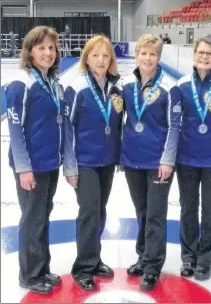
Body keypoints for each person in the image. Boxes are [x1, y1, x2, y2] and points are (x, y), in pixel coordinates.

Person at [5, 26, 65, 294]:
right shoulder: (22, 82)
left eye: (51, 48)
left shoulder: (52, 81)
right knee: (32, 219)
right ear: (29, 51)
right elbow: (15, 129)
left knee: (43, 217)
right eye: (41, 48)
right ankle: (29, 275)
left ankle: (41, 268)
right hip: (31, 166)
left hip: (50, 163)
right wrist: (23, 168)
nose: (48, 53)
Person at [63, 35, 123, 290]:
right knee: (89, 212)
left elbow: (119, 124)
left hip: (107, 161)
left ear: (111, 60)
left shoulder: (116, 90)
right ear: (86, 58)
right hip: (84, 161)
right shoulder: (76, 88)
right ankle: (83, 267)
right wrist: (70, 165)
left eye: (105, 55)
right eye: (95, 55)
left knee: (100, 211)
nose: (100, 60)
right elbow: (67, 128)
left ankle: (94, 258)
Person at [170, 34, 211, 281]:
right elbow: (174, 124)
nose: (204, 57)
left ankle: (204, 260)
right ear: (194, 55)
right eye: (200, 52)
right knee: (187, 209)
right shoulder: (182, 84)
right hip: (186, 160)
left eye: (209, 53)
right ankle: (188, 257)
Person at [120, 34, 179, 290]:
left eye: (153, 54)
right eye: (143, 53)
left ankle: (153, 266)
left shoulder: (168, 87)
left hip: (158, 162)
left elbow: (174, 127)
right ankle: (143, 256)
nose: (147, 58)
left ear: (159, 58)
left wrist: (167, 160)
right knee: (142, 212)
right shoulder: (125, 85)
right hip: (132, 160)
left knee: (155, 214)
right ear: (136, 55)